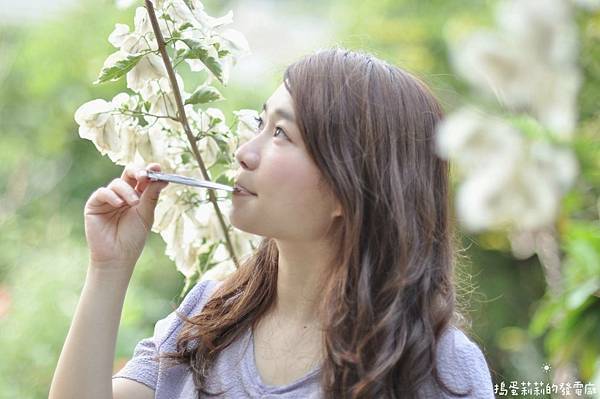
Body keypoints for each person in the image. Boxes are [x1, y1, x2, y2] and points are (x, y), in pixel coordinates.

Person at [49, 47, 495, 399]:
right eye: (261, 123)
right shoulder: (210, 316)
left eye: (281, 133)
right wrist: (109, 269)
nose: (244, 151)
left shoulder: (437, 369)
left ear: (348, 186)